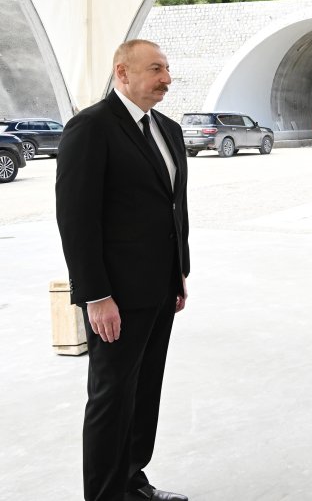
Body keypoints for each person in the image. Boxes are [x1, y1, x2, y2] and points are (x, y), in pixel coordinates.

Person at [56, 39, 191, 501]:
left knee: (144, 393)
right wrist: (95, 296)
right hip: (114, 296)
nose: (166, 79)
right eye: (155, 69)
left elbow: (174, 209)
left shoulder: (168, 129)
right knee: (111, 399)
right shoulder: (91, 128)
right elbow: (77, 220)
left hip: (160, 289)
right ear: (122, 72)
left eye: (167, 69)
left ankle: (132, 481)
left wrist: (179, 273)